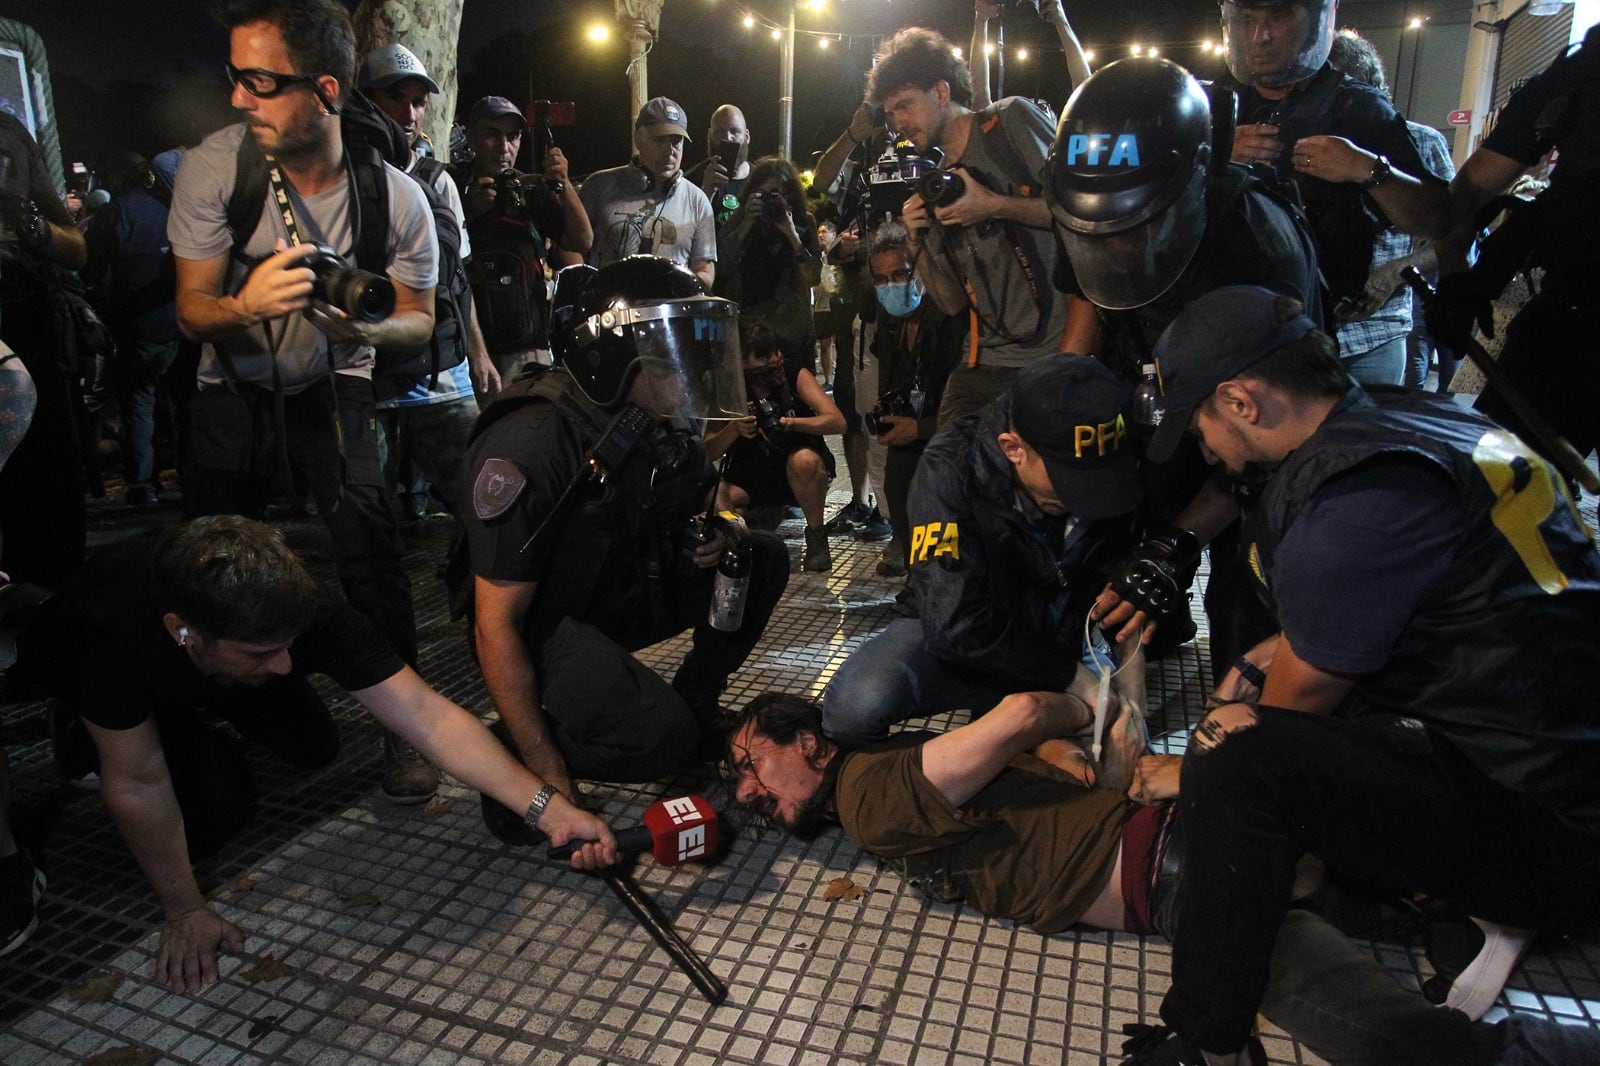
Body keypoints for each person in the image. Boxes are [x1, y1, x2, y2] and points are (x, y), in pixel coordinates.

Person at [1119, 284, 1600, 1065]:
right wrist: (1259, 659)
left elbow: (1282, 723)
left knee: (1238, 756)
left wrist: (1197, 767)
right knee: (1256, 706)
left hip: (1552, 826)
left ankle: (1205, 1039)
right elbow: (1389, 607)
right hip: (1554, 752)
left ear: (1241, 400)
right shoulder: (1415, 417)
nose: (1205, 448)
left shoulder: (1355, 500)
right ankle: (1433, 906)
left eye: (1201, 423)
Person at [730, 691, 1600, 1066]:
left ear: (810, 743)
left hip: (1187, 877)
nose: (747, 788)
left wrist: (1074, 713)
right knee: (1404, 874)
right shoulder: (886, 774)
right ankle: (1488, 906)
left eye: (752, 762)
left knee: (1391, 1042)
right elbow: (1029, 740)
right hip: (1210, 838)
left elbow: (1028, 711)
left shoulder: (872, 794)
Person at [55, 515, 618, 994]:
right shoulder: (111, 631)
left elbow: (428, 716)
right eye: (263, 651)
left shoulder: (311, 614)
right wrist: (184, 909)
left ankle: (222, 703)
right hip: (131, 687)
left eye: (288, 648)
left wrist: (550, 809)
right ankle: (107, 736)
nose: (283, 665)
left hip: (217, 670)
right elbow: (137, 782)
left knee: (313, 746)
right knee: (208, 813)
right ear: (184, 632)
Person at [168, 0, 440, 803]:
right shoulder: (216, 167)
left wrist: (355, 320)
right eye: (234, 78)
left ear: (324, 90)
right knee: (207, 562)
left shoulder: (395, 197)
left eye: (260, 82)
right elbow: (191, 312)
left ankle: (404, 732)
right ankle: (211, 713)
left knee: (371, 552)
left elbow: (417, 322)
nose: (238, 99)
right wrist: (249, 304)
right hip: (234, 386)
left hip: (336, 383)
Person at [458, 257, 789, 813]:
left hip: (622, 590)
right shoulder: (532, 441)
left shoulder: (658, 413)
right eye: (672, 356)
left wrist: (725, 528)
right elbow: (495, 624)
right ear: (615, 355)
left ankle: (695, 701)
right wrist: (549, 781)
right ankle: (510, 751)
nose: (696, 371)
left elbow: (715, 496)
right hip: (541, 625)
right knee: (661, 741)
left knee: (761, 556)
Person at [1048, 56, 1322, 674]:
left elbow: (1267, 444)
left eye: (1133, 228)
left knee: (1244, 599)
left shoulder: (1257, 245)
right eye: (1096, 235)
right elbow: (1078, 343)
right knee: (1117, 548)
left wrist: (1179, 543)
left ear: (1193, 184)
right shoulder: (1093, 215)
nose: (1113, 247)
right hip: (1159, 399)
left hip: (1249, 435)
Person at [822, 354, 1144, 748]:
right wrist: (1072, 677)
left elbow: (1130, 571)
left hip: (1060, 626)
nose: (1086, 500)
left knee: (1104, 753)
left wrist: (1128, 692)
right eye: (1069, 482)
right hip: (967, 627)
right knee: (853, 710)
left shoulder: (1111, 440)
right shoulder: (950, 469)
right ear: (1013, 448)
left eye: (1101, 479)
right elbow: (955, 622)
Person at [1220, 0, 1451, 385]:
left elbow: (1438, 217)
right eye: (1247, 19)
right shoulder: (1211, 105)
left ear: (1311, 20)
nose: (1260, 36)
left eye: (1278, 16)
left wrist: (1366, 168)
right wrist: (1217, 154)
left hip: (1349, 342)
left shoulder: (1357, 106)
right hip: (1242, 337)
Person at [868, 28, 1070, 424]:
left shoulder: (1009, 122)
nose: (898, 124)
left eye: (905, 106)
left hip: (1051, 352)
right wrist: (916, 243)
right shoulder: (936, 184)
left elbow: (1080, 216)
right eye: (891, 113)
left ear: (941, 93)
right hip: (982, 360)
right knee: (941, 478)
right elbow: (951, 303)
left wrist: (994, 205)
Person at [1427, 21, 1600, 467]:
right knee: (1503, 488)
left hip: (1571, 322)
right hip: (1573, 325)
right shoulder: (1580, 74)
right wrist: (1460, 279)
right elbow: (1472, 189)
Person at [359, 44, 498, 520]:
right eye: (396, 98)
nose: (410, 112)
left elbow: (459, 275)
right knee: (367, 520)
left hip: (441, 379)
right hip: (367, 380)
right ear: (365, 100)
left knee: (482, 504)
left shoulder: (438, 181)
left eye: (419, 102)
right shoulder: (342, 178)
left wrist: (477, 352)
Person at [1323, 28, 1457, 391]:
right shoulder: (1301, 141)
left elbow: (1454, 232)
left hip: (1374, 336)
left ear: (1367, 84)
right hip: (1305, 335)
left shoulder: (1421, 141)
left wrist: (1396, 272)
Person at [0, 110, 90, 591]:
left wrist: (30, 225)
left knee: (46, 481)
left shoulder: (10, 133)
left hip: (28, 330)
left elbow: (76, 248)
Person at [460, 94, 591, 380]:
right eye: (492, 135)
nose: (504, 147)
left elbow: (581, 241)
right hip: (465, 347)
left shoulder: (529, 190)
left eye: (513, 136)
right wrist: (468, 211)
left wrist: (563, 183)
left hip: (526, 347)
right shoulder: (452, 186)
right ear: (470, 138)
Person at [81, 151, 183, 508]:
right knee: (182, 403)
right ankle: (192, 476)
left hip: (136, 327)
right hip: (180, 322)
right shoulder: (172, 207)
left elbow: (88, 269)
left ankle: (143, 484)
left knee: (138, 404)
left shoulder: (113, 214)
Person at [705, 317, 844, 572]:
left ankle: (816, 535)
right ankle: (740, 534)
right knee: (716, 495)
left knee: (805, 461)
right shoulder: (729, 387)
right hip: (752, 474)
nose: (771, 366)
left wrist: (794, 424)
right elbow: (708, 450)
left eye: (773, 356)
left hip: (795, 467)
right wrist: (733, 430)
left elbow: (837, 422)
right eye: (761, 361)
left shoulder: (794, 373)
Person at [864, 220, 961, 578]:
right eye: (881, 279)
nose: (892, 285)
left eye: (901, 273)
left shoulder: (951, 319)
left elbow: (971, 410)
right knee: (897, 487)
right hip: (910, 432)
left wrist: (920, 429)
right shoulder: (890, 323)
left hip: (947, 435)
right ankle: (915, 580)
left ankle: (937, 585)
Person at [578, 97, 716, 290]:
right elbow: (572, 249)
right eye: (660, 140)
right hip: (609, 312)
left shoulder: (698, 201)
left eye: (676, 142)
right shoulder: (598, 186)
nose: (670, 150)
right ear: (638, 138)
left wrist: (685, 289)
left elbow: (704, 269)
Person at [713, 156, 822, 366]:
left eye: (775, 195)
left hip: (792, 330)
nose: (769, 202)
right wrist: (746, 224)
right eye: (763, 194)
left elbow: (813, 277)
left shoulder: (803, 222)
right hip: (749, 331)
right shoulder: (741, 218)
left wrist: (791, 234)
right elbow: (722, 267)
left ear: (789, 195)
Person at [684, 103, 752, 228]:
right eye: (720, 132)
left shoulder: (761, 179)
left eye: (734, 131)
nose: (727, 138)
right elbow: (683, 231)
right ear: (710, 135)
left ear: (746, 137)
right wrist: (706, 192)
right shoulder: (690, 181)